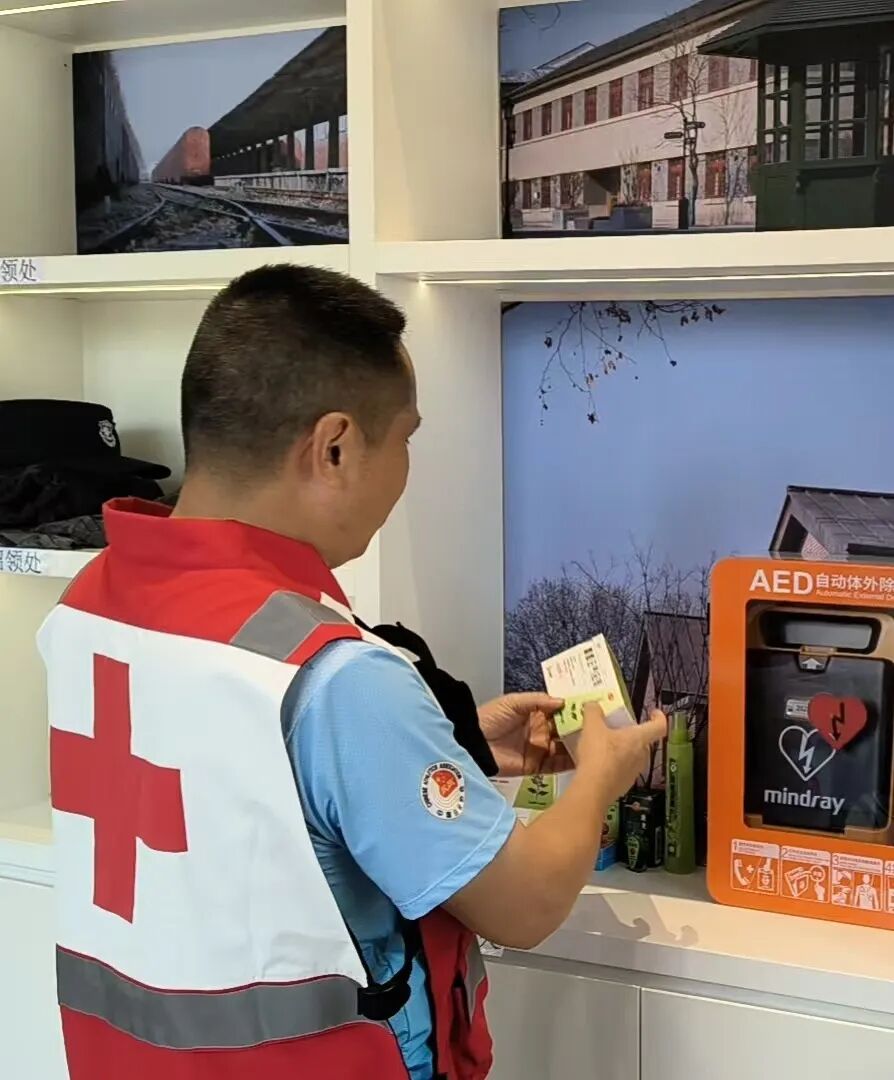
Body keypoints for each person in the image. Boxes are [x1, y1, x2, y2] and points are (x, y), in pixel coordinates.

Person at [39, 265, 666, 1080]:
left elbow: (235, 793)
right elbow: (525, 903)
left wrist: (448, 746)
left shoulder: (91, 603)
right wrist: (600, 779)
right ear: (333, 448)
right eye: (405, 439)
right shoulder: (337, 676)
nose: (405, 468)